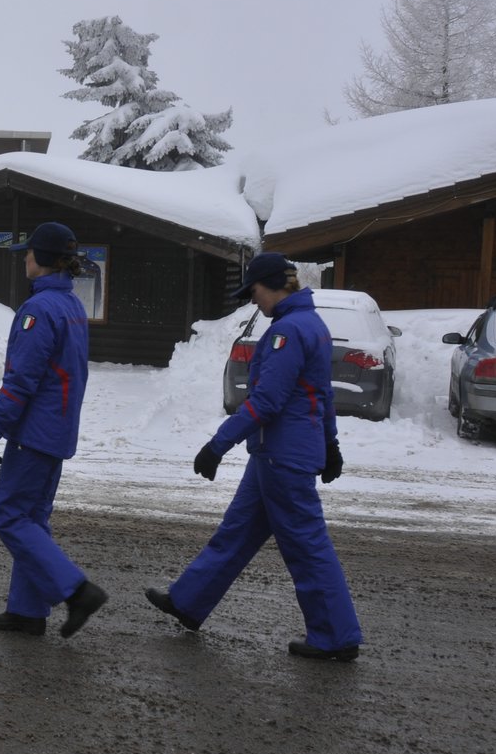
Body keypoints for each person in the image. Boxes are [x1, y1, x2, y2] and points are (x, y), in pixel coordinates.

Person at [146, 252, 363, 661]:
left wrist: (217, 444)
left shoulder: (288, 331)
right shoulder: (311, 324)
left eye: (255, 292)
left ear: (275, 286)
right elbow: (321, 394)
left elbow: (267, 401)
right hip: (277, 453)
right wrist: (330, 444)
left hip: (282, 456)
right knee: (237, 532)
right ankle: (189, 602)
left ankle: (336, 635)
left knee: (307, 547)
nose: (254, 301)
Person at [0, 221, 108, 637]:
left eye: (29, 253)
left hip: (35, 432)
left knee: (10, 515)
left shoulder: (38, 310)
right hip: (57, 429)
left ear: (43, 260)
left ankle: (76, 589)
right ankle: (28, 610)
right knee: (32, 517)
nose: (25, 260)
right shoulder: (70, 306)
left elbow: (22, 379)